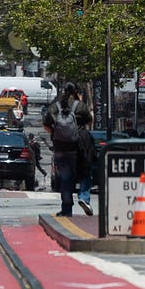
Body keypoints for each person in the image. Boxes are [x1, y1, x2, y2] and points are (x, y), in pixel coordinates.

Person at [42, 82, 92, 217]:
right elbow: (89, 120)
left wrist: (57, 133)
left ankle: (66, 209)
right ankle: (84, 198)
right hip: (78, 148)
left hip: (60, 148)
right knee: (85, 174)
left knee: (65, 179)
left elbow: (46, 125)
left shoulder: (55, 107)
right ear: (76, 92)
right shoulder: (80, 106)